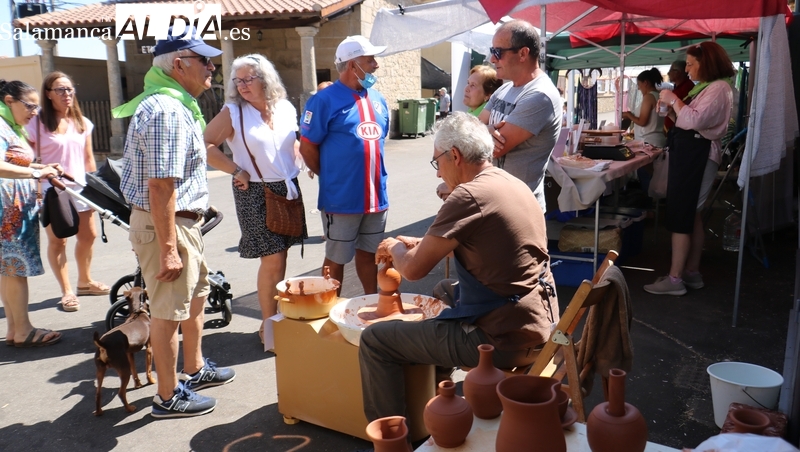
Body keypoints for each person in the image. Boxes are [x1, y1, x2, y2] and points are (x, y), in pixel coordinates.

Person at [359, 112, 559, 425]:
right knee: (443, 291)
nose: (438, 172)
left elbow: (412, 270)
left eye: (437, 161)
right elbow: (485, 247)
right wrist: (420, 243)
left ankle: (392, 438)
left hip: (507, 338)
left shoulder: (468, 195)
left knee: (376, 340)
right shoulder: (510, 182)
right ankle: (439, 398)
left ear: (455, 155)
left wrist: (393, 247)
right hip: (540, 319)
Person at [115, 28, 235, 418]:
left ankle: (194, 369)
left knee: (195, 298)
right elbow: (161, 186)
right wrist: (169, 248)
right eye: (205, 60)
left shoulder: (175, 104)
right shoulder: (166, 110)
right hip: (167, 225)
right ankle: (167, 397)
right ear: (179, 64)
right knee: (168, 313)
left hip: (181, 222)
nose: (212, 67)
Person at [204, 54, 306, 344]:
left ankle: (276, 318)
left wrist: (301, 158)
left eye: (249, 79)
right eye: (238, 80)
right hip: (255, 192)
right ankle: (268, 326)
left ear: (266, 79)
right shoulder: (234, 110)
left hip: (287, 187)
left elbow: (292, 140)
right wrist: (235, 170)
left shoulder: (285, 107)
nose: (243, 85)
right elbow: (206, 143)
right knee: (272, 260)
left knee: (281, 256)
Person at [299, 35, 390, 295]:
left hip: (376, 198)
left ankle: (372, 302)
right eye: (370, 59)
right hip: (341, 200)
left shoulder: (378, 99)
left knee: (371, 254)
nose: (376, 65)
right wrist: (331, 177)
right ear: (352, 65)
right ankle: (328, 310)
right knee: (336, 258)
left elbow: (377, 144)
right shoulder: (323, 101)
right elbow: (307, 148)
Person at [645, 41, 736, 296]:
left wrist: (674, 99)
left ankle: (675, 280)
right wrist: (671, 111)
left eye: (690, 64)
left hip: (698, 154)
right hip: (693, 152)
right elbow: (688, 121)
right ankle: (692, 273)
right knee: (692, 215)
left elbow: (695, 120)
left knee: (682, 215)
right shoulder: (709, 88)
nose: (687, 69)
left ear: (705, 63)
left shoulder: (718, 88)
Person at [25, 71, 109, 313]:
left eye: (70, 89)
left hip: (80, 189)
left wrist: (96, 191)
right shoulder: (36, 123)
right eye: (60, 90)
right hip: (52, 191)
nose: (67, 94)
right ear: (48, 94)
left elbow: (88, 160)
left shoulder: (82, 122)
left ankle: (85, 281)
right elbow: (26, 160)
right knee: (58, 240)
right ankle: (67, 291)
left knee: (89, 236)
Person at [0, 79, 63, 347]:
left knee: (9, 270)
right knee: (15, 269)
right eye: (30, 106)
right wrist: (37, 171)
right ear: (9, 101)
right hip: (7, 212)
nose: (34, 112)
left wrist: (42, 166)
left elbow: (15, 162)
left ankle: (15, 329)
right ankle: (24, 330)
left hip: (13, 210)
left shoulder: (11, 127)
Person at [480, 19, 561, 213]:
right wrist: (485, 132)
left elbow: (490, 150)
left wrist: (478, 134)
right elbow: (469, 130)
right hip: (495, 203)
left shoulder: (539, 96)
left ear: (523, 53)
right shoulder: (505, 89)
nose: (492, 59)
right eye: (492, 52)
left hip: (518, 210)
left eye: (497, 52)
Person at [621, 68, 666, 147]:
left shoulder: (649, 97)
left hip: (648, 142)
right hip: (657, 140)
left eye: (639, 84)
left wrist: (628, 115)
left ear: (645, 83)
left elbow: (642, 122)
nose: (638, 88)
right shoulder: (659, 95)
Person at [664, 60, 693, 132]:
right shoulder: (679, 87)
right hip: (674, 129)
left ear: (678, 72)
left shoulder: (687, 87)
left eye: (671, 70)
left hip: (681, 131)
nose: (668, 73)